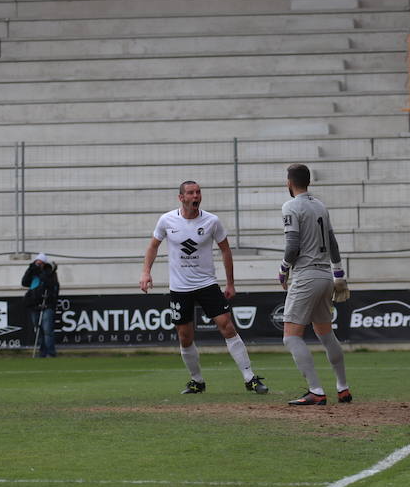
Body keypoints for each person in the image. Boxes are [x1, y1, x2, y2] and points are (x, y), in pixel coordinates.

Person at [139, 181, 267, 395]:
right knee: (184, 336)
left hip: (206, 284)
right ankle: (197, 381)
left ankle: (250, 378)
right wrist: (145, 272)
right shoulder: (167, 220)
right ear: (181, 197)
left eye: (198, 192)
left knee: (227, 326)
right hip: (180, 288)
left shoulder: (212, 221)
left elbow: (226, 250)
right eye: (191, 193)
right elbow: (153, 245)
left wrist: (230, 283)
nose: (196, 195)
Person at [279, 163, 352, 406]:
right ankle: (343, 388)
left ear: (289, 183)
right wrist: (339, 273)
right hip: (325, 277)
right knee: (326, 333)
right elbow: (332, 241)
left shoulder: (291, 206)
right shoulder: (320, 205)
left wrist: (282, 269)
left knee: (291, 337)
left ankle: (316, 390)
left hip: (306, 275)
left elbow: (293, 245)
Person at [22, 252, 59, 358]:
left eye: (40, 263)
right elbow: (24, 282)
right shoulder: (32, 272)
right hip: (34, 304)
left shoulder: (50, 273)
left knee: (47, 330)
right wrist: (30, 269)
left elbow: (51, 285)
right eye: (37, 263)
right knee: (39, 330)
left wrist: (40, 272)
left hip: (46, 304)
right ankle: (42, 352)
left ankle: (50, 352)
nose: (38, 265)